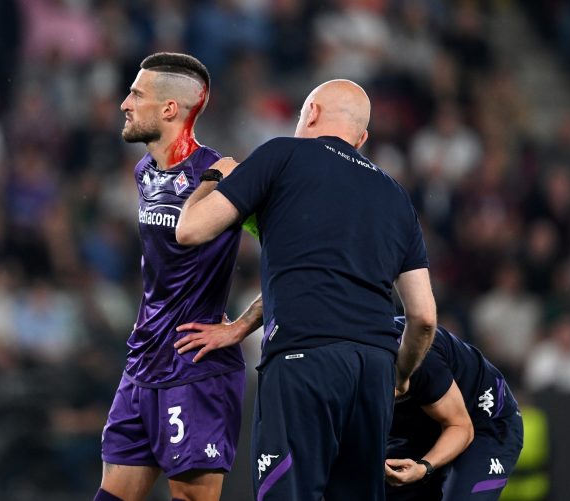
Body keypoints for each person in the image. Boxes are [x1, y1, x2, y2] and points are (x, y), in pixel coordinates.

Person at [174, 79, 437, 500]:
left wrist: (212, 176)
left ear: (311, 113)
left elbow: (190, 230)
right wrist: (401, 377)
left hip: (303, 361)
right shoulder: (396, 196)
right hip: (374, 372)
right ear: (361, 138)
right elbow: (423, 317)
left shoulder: (282, 155)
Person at [95, 53, 246, 501]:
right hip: (143, 361)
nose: (124, 104)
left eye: (136, 94)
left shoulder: (223, 176)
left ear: (169, 109)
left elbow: (287, 255)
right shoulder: (144, 172)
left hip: (194, 366)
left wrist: (242, 325)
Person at [384, 317, 523, 501]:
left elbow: (460, 426)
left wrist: (424, 466)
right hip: (418, 430)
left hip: (482, 422)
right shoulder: (349, 363)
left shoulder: (419, 356)